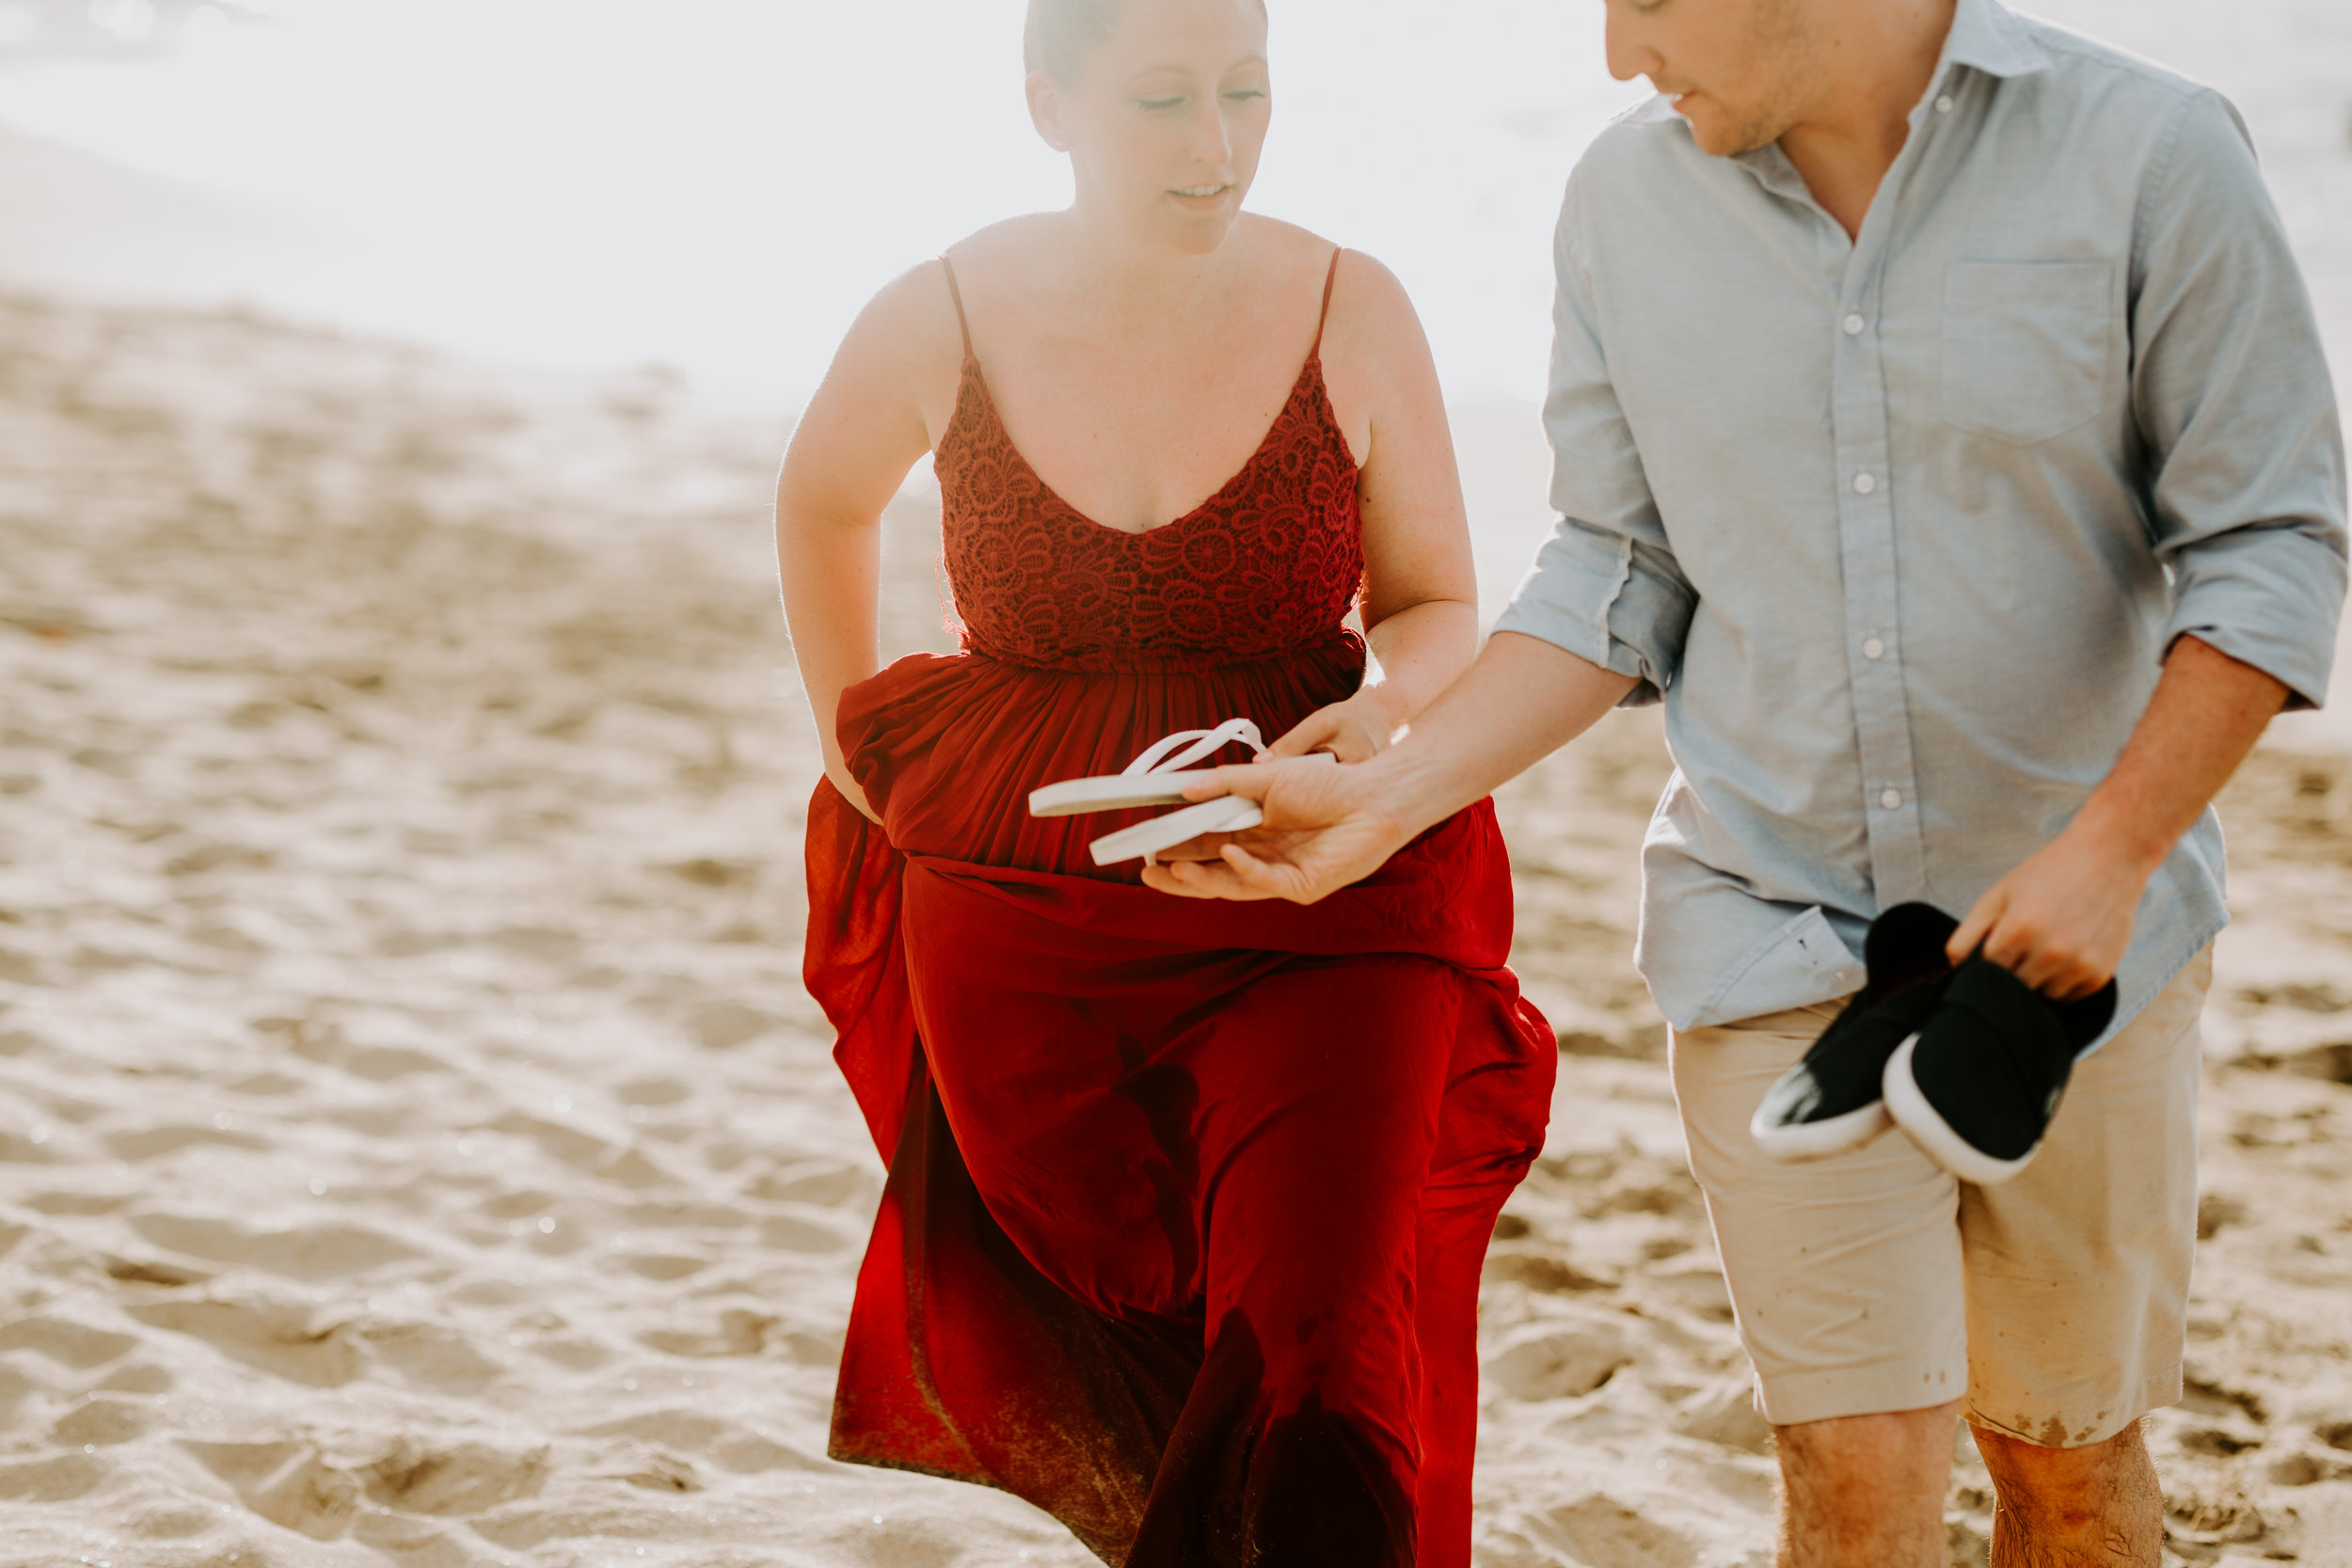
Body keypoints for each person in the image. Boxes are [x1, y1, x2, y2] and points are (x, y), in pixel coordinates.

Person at [1144, 0, 2348, 1561]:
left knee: (2064, 1459)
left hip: (2082, 956)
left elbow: (2268, 543)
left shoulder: (2151, 151)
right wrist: (1394, 790)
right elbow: (1621, 566)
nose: (1616, 51)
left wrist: (2113, 853)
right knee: (1854, 1474)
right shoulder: (1623, 201)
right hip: (1765, 920)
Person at [774, 1, 1555, 1562]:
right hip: (1028, 906)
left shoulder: (1353, 303)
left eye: (1246, 92)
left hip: (1315, 881)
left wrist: (1387, 710)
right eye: (1162, 102)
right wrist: (852, 743)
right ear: (1047, 107)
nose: (1218, 146)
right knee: (1148, 1355)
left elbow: (1436, 604)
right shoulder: (944, 307)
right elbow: (822, 498)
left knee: (1323, 1344)